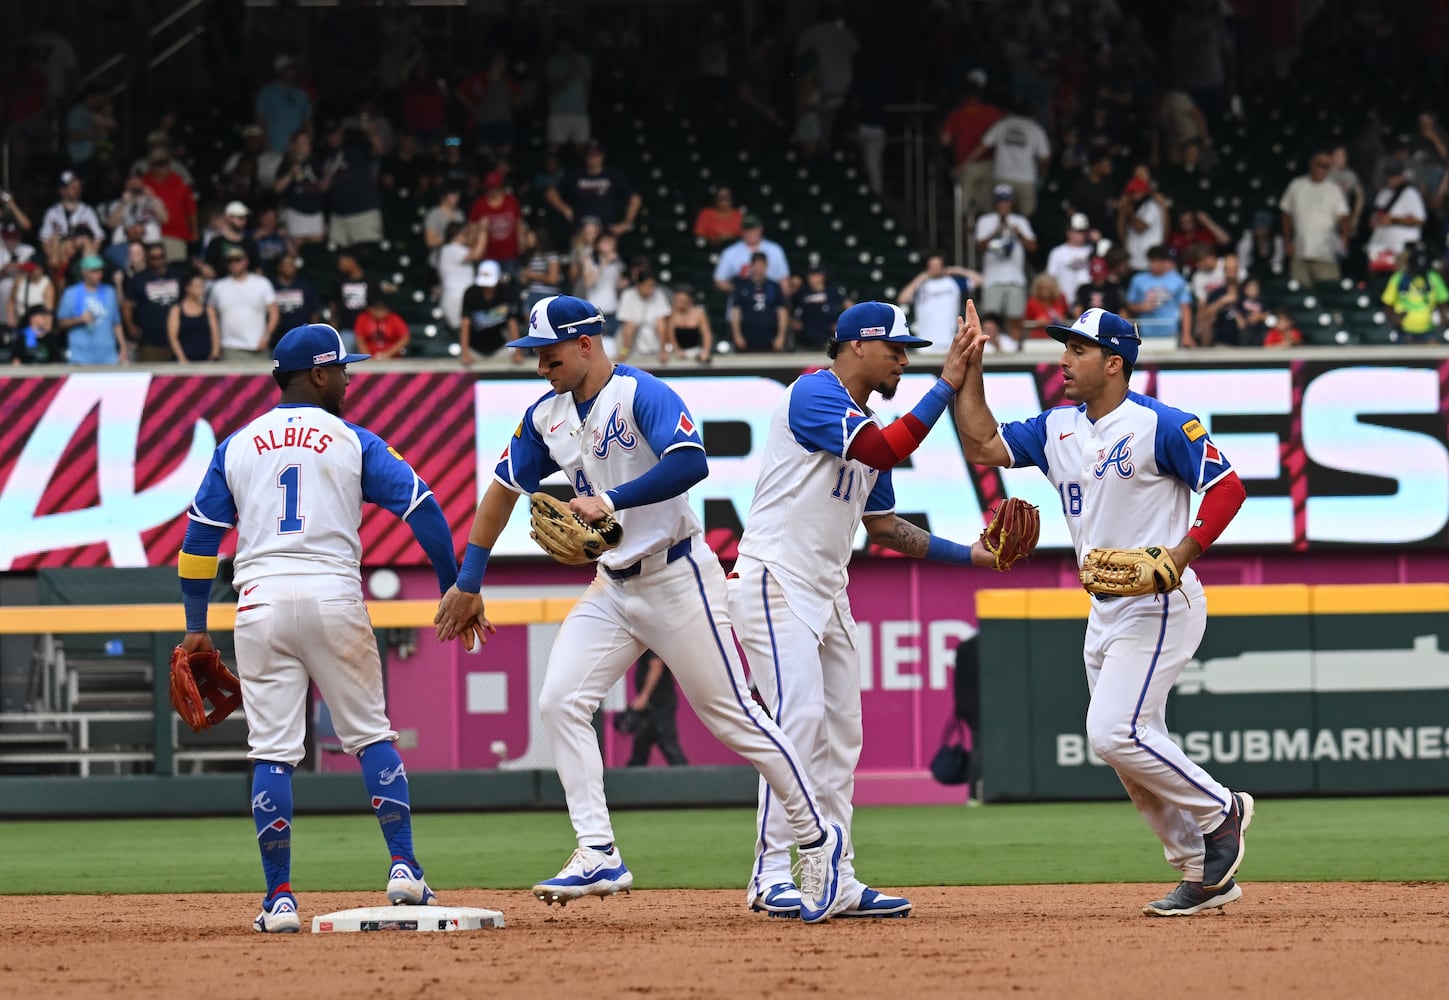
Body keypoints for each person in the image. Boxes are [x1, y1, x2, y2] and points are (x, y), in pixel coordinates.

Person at [432, 295, 847, 922]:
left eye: (548, 354)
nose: (540, 366)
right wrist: (469, 579)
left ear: (586, 344)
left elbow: (691, 462)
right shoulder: (545, 416)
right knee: (559, 701)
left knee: (735, 719)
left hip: (680, 578)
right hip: (613, 585)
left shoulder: (641, 393)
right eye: (534, 356)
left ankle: (817, 837)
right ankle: (598, 850)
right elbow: (500, 491)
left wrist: (610, 498)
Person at [952, 303, 1254, 917]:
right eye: (1065, 346)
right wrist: (971, 371)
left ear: (1114, 363)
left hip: (1160, 601)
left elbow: (1228, 488)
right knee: (1127, 747)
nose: (1064, 358)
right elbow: (982, 442)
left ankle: (1223, 811)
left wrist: (1180, 551)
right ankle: (1201, 871)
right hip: (1104, 609)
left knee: (1113, 731)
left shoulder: (1162, 425)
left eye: (1078, 349)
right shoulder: (1057, 427)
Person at [176, 322, 456, 932]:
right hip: (333, 595)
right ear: (320, 374)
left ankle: (278, 901)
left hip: (259, 603)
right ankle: (404, 868)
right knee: (371, 736)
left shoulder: (238, 445)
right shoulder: (351, 439)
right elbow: (423, 507)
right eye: (344, 368)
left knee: (272, 754)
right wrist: (452, 585)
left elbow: (198, 540)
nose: (351, 378)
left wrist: (196, 625)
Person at [729, 301, 1002, 921]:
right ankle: (771, 873)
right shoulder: (814, 394)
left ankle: (837, 876)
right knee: (796, 720)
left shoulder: (861, 418)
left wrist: (972, 558)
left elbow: (881, 525)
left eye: (908, 351)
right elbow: (881, 450)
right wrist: (948, 383)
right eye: (896, 349)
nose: (904, 359)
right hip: (774, 578)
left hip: (826, 590)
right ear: (857, 346)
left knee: (843, 737)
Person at [1279, 151, 1351, 287]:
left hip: (1326, 254)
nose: (1324, 169)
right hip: (1300, 253)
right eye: (1321, 165)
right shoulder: (1296, 185)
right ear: (1312, 165)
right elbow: (1286, 214)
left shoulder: (1334, 189)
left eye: (1327, 166)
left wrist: (1345, 238)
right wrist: (1287, 241)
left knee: (1329, 294)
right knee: (1300, 295)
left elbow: (1344, 216)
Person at [897, 252, 979, 355]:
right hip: (925, 342)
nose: (934, 268)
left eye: (937, 265)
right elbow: (902, 299)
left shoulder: (953, 282)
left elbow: (979, 280)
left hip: (949, 341)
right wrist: (921, 277)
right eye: (932, 266)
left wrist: (957, 270)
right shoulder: (921, 285)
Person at [209, 246, 278, 361]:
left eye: (238, 260)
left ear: (246, 261)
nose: (234, 264)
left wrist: (266, 338)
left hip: (257, 347)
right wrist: (216, 348)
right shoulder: (218, 287)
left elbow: (274, 313)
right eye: (230, 261)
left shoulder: (262, 283)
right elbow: (211, 314)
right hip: (229, 347)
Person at [56, 254, 126, 365]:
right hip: (80, 358)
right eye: (94, 271)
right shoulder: (71, 293)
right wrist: (79, 319)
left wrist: (123, 348)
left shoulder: (110, 292)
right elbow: (60, 323)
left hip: (108, 357)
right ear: (84, 272)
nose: (98, 274)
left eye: (100, 270)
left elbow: (116, 323)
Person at [623, 650, 687, 767]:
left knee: (669, 745)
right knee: (640, 749)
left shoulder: (652, 642)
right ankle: (631, 782)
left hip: (660, 705)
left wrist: (644, 696)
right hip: (649, 708)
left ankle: (688, 781)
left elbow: (656, 666)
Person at [123, 243, 184, 362]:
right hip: (150, 339)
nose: (158, 261)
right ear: (147, 259)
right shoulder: (139, 278)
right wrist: (130, 326)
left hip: (178, 337)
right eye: (154, 258)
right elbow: (127, 304)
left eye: (161, 257)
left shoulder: (178, 275)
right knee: (152, 375)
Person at [1381, 244, 1449, 345]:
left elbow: (1443, 300)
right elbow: (1387, 303)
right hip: (1404, 330)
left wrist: (1443, 317)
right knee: (1405, 357)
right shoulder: (1399, 278)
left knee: (1434, 353)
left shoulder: (1433, 277)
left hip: (1429, 329)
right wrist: (1394, 319)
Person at [1126, 245, 1193, 346]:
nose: (1153, 264)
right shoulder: (1138, 279)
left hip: (1170, 331)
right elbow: (1129, 305)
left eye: (1156, 261)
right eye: (1151, 261)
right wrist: (1141, 307)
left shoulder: (1177, 280)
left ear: (1164, 262)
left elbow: (1185, 309)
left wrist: (1186, 335)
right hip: (1145, 332)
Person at [459, 260, 524, 364]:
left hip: (500, 347)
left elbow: (512, 322)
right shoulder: (471, 293)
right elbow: (465, 322)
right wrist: (464, 352)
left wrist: (518, 351)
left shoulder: (506, 293)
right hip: (474, 348)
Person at [728, 252, 788, 353]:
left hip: (770, 337)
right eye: (756, 265)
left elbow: (782, 312)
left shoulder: (774, 286)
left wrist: (781, 336)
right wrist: (737, 335)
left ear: (766, 266)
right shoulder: (742, 286)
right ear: (751, 266)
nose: (759, 268)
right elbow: (735, 312)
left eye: (761, 264)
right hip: (747, 336)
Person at [166, 272, 220, 362]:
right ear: (187, 288)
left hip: (207, 360)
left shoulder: (209, 310)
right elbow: (172, 337)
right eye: (197, 286)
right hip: (183, 360)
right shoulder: (176, 310)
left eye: (202, 286)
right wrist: (181, 358)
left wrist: (214, 355)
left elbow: (215, 335)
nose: (201, 289)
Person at [354, 289, 410, 359]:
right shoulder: (362, 318)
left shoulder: (394, 318)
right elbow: (360, 340)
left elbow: (405, 338)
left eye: (383, 309)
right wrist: (368, 357)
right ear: (369, 308)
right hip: (369, 359)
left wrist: (388, 354)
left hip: (392, 358)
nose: (380, 312)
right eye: (377, 309)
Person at [666, 283, 714, 362]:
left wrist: (706, 351)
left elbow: (707, 334)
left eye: (682, 301)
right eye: (678, 300)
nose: (680, 303)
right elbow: (670, 335)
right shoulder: (670, 313)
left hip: (694, 351)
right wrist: (677, 350)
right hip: (674, 352)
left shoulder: (699, 313)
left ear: (689, 300)